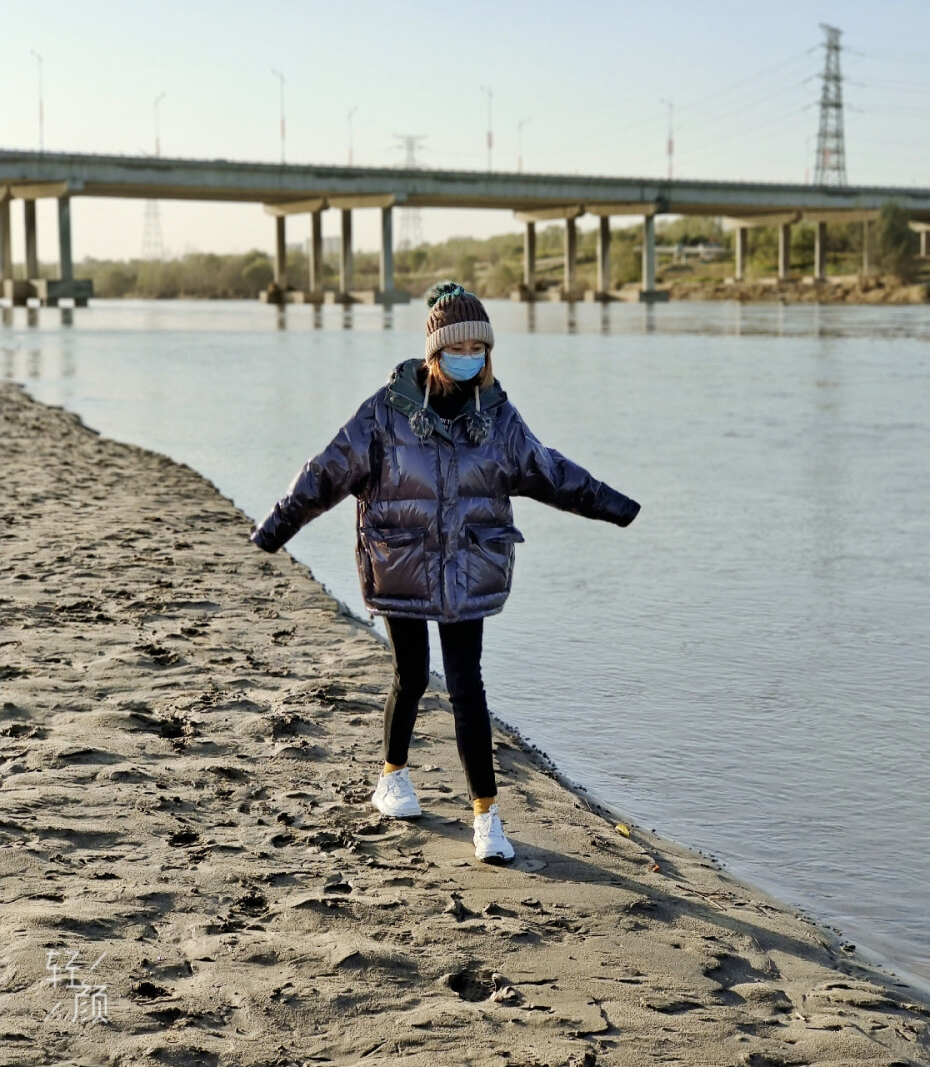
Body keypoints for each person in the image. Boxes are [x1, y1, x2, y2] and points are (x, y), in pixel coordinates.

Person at [250, 282, 640, 864]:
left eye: (480, 347)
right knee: (411, 674)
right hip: (401, 560)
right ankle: (393, 775)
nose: (471, 357)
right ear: (435, 353)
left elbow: (550, 471)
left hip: (467, 566)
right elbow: (327, 471)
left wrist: (616, 506)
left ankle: (486, 815)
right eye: (460, 347)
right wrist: (275, 528)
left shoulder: (498, 418)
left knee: (466, 686)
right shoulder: (386, 413)